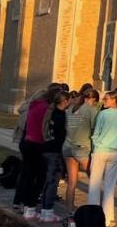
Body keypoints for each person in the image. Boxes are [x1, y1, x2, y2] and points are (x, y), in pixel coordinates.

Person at [18, 85, 62, 221]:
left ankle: (27, 207)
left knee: (28, 177)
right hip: (38, 144)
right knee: (40, 178)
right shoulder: (47, 109)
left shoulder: (34, 105)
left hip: (27, 141)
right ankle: (31, 208)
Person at [87, 90, 117, 227]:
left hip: (101, 150)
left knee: (94, 184)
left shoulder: (103, 114)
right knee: (109, 186)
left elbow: (96, 132)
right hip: (115, 152)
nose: (103, 101)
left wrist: (95, 142)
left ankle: (93, 217)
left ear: (114, 100)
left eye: (106, 99)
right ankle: (108, 217)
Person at [64, 88, 100, 223]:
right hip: (82, 148)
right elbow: (95, 129)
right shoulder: (91, 110)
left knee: (72, 182)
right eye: (95, 102)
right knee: (94, 179)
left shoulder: (71, 108)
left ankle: (69, 211)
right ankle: (94, 211)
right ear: (93, 100)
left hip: (67, 146)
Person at [40, 91, 71, 223]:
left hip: (47, 148)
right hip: (55, 151)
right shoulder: (61, 116)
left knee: (48, 181)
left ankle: (44, 210)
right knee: (53, 182)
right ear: (65, 102)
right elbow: (62, 134)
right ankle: (48, 211)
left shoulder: (51, 113)